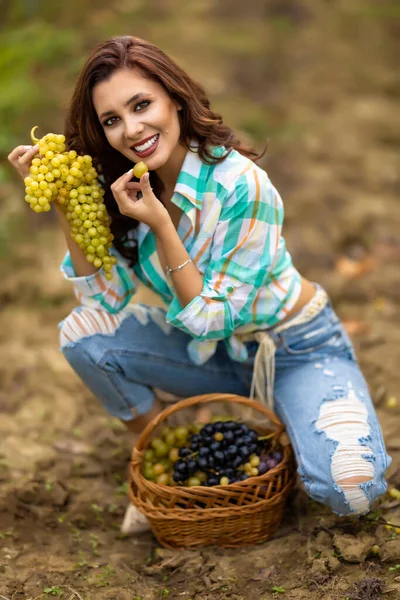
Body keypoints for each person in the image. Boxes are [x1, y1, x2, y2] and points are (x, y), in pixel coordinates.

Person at [8, 35, 391, 535]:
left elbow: (212, 317)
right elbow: (104, 298)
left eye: (141, 105)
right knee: (85, 334)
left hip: (296, 351)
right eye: (112, 120)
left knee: (352, 489)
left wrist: (162, 226)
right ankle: (184, 449)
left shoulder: (241, 186)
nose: (132, 129)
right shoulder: (125, 188)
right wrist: (62, 201)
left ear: (175, 98)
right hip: (209, 357)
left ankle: (301, 420)